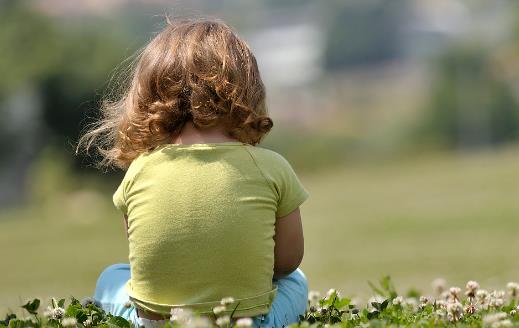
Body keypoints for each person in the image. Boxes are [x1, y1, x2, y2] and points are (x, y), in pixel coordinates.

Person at [78, 18, 309, 328]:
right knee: (296, 281)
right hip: (249, 322)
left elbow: (147, 259)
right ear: (249, 90)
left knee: (113, 276)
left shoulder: (139, 170)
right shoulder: (272, 167)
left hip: (158, 323)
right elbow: (287, 261)